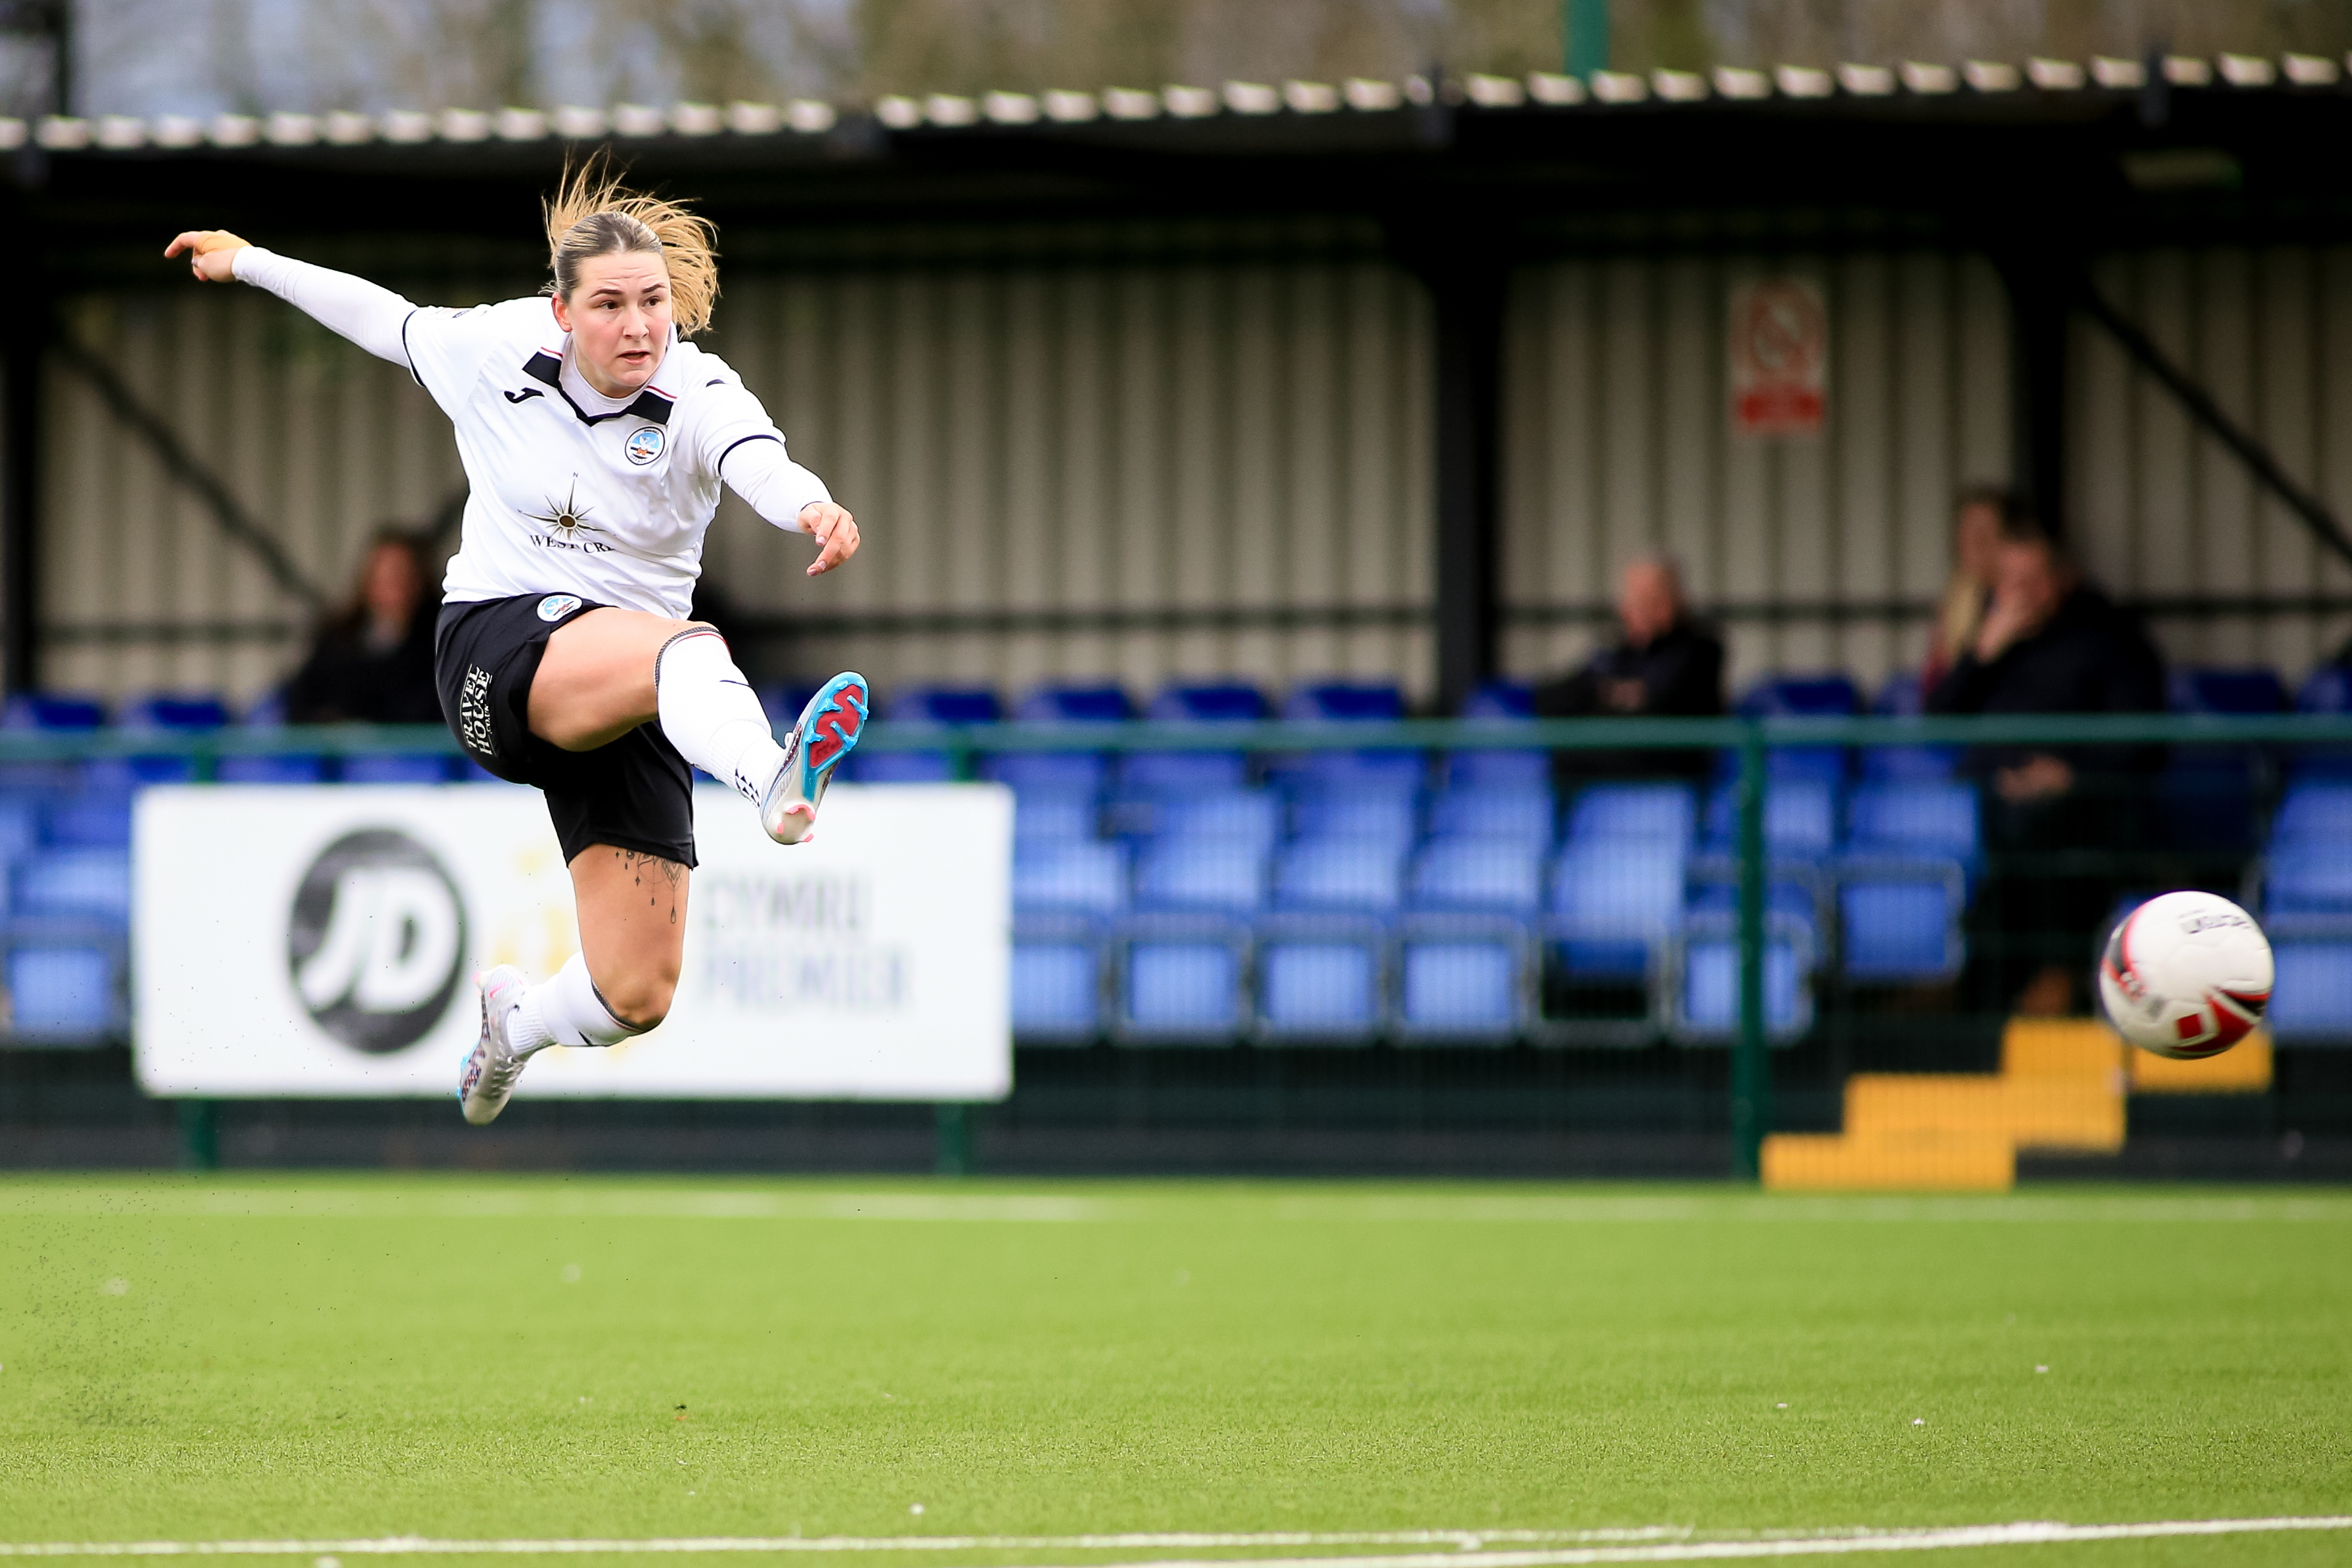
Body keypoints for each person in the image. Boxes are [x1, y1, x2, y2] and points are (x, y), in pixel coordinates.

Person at [167, 161, 869, 1127]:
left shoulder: (698, 388)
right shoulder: (494, 348)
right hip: (496, 655)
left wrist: (813, 507)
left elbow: (759, 457)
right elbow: (380, 316)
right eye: (612, 305)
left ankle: (516, 1024)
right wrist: (249, 261)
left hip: (631, 700)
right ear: (561, 311)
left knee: (637, 993)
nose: (639, 326)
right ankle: (772, 781)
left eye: (654, 301)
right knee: (686, 645)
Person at [1927, 516, 2165, 1016]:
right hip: (1988, 800)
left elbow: (2145, 741)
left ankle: (2052, 978)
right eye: (2010, 583)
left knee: (2044, 833)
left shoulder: (2110, 640)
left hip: (2082, 806)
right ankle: (1955, 984)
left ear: (2063, 577)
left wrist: (2069, 773)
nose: (2022, 595)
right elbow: (1938, 721)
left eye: (2032, 581)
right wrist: (1983, 650)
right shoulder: (1993, 645)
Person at [1531, 554, 1724, 780]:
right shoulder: (1615, 652)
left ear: (1673, 599)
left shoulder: (1701, 648)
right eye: (1633, 599)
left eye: (1648, 598)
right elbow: (1552, 698)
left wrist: (1604, 697)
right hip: (1612, 765)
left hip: (1672, 770)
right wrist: (1612, 695)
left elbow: (1665, 700)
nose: (1632, 608)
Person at [283, 529, 445, 724]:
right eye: (383, 577)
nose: (393, 588)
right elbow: (302, 700)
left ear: (420, 582)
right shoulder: (336, 640)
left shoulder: (438, 646)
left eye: (401, 576)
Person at [1920, 483, 2014, 692]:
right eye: (1965, 530)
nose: (1973, 541)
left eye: (1984, 531)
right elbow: (1935, 686)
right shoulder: (1956, 599)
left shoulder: (2021, 599)